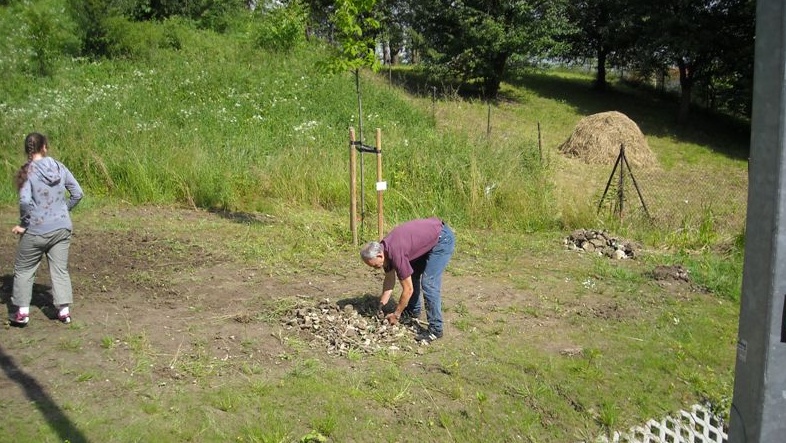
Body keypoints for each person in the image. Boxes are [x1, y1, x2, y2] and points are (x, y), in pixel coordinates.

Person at [9, 132, 83, 326]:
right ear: (44, 147)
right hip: (62, 228)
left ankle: (22, 313)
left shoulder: (28, 171)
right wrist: (62, 211)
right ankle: (64, 312)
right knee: (60, 269)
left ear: (27, 149)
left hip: (36, 229)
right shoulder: (59, 167)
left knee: (24, 268)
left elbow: (25, 201)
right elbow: (77, 193)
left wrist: (24, 224)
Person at [360, 217, 455, 343]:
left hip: (442, 239)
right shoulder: (384, 250)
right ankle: (413, 310)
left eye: (375, 266)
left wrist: (396, 314)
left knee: (429, 283)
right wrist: (381, 304)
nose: (375, 268)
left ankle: (436, 329)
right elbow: (389, 279)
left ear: (379, 255)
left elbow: (408, 289)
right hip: (429, 236)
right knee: (413, 273)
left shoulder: (395, 253)